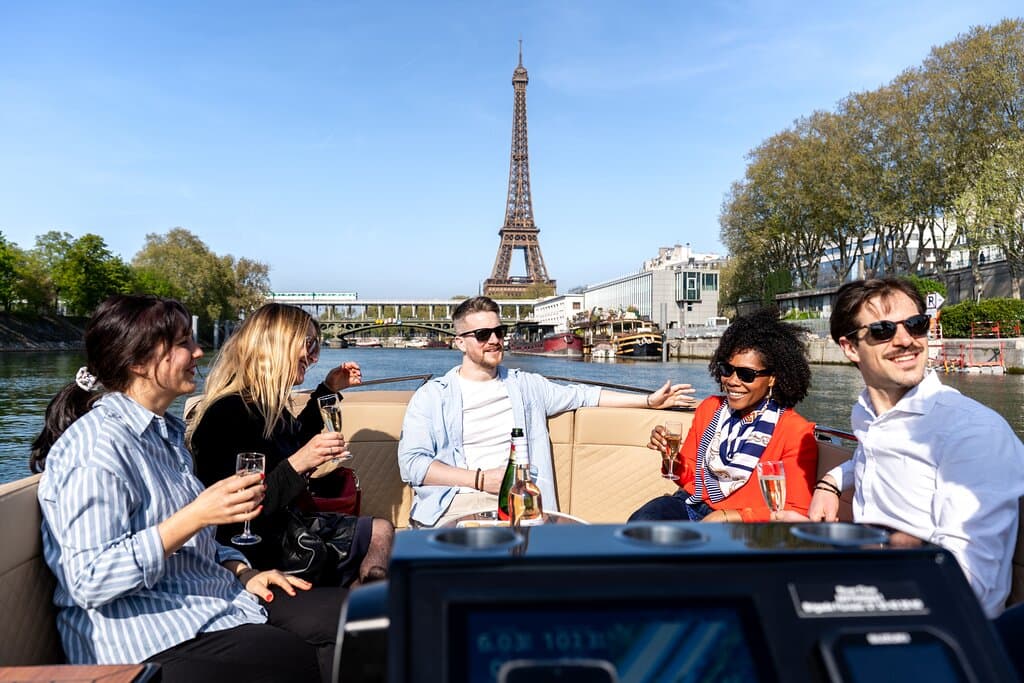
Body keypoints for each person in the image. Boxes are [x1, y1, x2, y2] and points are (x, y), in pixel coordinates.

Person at [31, 294, 343, 683]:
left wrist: (243, 571)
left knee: (362, 619)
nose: (198, 351)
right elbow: (90, 580)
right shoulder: (97, 448)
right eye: (182, 343)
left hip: (214, 602)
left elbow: (204, 543)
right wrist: (196, 515)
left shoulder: (167, 434)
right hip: (150, 641)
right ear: (136, 362)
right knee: (321, 658)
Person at [808, 277, 1024, 619]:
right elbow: (871, 453)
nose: (906, 340)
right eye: (882, 330)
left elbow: (970, 589)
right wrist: (832, 481)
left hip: (934, 626)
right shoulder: (869, 414)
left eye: (916, 324)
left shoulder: (971, 433)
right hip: (872, 588)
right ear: (850, 348)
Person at [397, 295, 697, 528]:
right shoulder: (432, 397)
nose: (494, 340)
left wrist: (648, 402)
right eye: (482, 334)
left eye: (499, 331)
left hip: (523, 506)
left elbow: (585, 395)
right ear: (459, 343)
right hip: (457, 504)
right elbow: (412, 465)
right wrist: (478, 479)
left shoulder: (526, 386)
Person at [189, 303, 393, 586]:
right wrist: (300, 462)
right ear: (275, 344)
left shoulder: (265, 407)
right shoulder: (229, 413)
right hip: (255, 548)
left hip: (283, 528)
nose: (313, 356)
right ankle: (365, 609)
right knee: (376, 540)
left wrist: (328, 390)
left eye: (316, 346)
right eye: (308, 343)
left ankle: (367, 606)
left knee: (380, 530)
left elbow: (294, 439)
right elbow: (237, 518)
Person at [629, 309, 818, 522]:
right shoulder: (710, 409)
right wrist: (669, 457)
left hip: (745, 528)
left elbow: (798, 511)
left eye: (746, 374)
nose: (732, 380)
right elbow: (690, 480)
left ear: (773, 378)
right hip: (690, 505)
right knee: (643, 523)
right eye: (727, 369)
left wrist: (730, 517)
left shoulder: (795, 431)